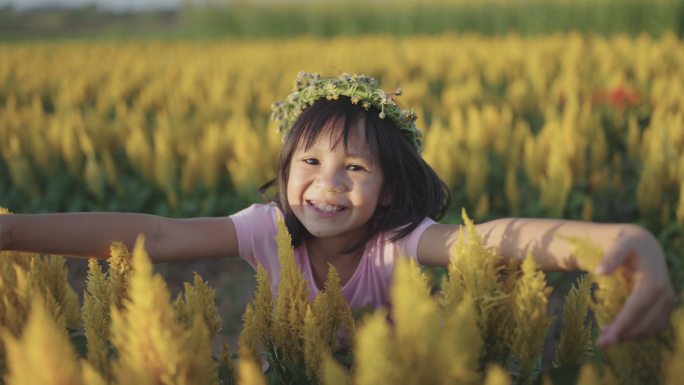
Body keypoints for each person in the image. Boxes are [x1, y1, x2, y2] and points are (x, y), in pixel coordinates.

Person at [0, 72, 675, 349]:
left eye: (354, 168)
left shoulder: (398, 243)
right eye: (311, 163)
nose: (328, 184)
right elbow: (149, 231)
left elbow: (496, 238)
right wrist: (9, 230)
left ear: (387, 190)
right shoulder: (265, 231)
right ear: (286, 172)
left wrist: (617, 239)